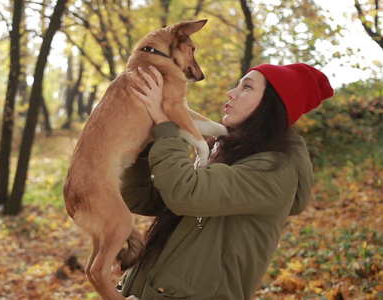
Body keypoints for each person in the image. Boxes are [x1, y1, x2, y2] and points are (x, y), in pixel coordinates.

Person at [118, 63, 334, 299]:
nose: (231, 93)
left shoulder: (274, 170)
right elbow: (141, 198)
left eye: (247, 87)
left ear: (272, 105)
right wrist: (144, 146)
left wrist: (165, 124)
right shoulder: (226, 152)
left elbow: (185, 193)